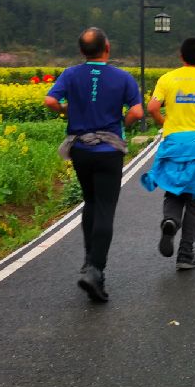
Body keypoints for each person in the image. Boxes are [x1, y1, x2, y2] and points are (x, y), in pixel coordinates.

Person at [44, 27, 143, 302]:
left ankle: (89, 263)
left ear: (81, 51)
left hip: (80, 150)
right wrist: (125, 124)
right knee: (105, 208)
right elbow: (136, 111)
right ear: (107, 48)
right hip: (109, 149)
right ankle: (95, 271)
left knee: (90, 202)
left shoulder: (71, 74)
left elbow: (50, 100)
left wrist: (66, 111)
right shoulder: (123, 77)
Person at [141, 37, 195, 270]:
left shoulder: (167, 79)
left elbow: (151, 107)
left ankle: (171, 220)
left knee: (173, 191)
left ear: (181, 57)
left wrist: (165, 121)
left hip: (173, 142)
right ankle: (185, 253)